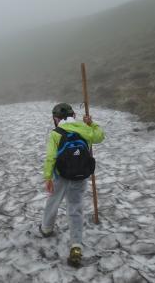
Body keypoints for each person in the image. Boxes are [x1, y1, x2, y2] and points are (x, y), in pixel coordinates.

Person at [39, 103, 105, 267]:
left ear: (56, 118)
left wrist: (48, 177)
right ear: (73, 115)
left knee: (53, 201)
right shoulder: (84, 128)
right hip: (80, 175)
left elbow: (50, 157)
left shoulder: (56, 133)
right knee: (75, 207)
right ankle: (76, 245)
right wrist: (92, 124)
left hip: (61, 176)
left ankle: (47, 228)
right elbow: (99, 137)